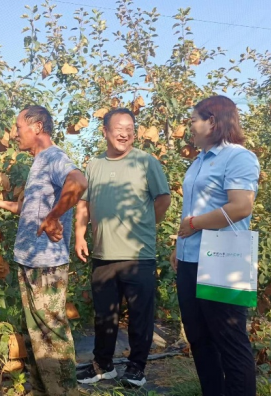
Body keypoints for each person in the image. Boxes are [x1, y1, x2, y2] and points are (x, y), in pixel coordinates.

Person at [0, 105, 87, 396]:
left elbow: (79, 181)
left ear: (36, 128)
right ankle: (44, 390)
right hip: (31, 261)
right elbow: (30, 208)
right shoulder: (38, 162)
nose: (15, 133)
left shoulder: (53, 157)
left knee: (51, 334)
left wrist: (54, 217)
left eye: (18, 127)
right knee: (37, 334)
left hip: (46, 265)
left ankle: (65, 392)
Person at [170, 95, 260, 396]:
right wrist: (179, 247)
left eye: (194, 120)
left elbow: (241, 207)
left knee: (230, 342)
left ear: (212, 121)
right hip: (190, 259)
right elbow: (191, 209)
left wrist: (194, 225)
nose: (190, 126)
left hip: (224, 258)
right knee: (198, 338)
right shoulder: (198, 161)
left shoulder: (238, 156)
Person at [75, 108, 171, 387]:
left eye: (130, 128)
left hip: (138, 255)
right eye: (118, 127)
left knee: (141, 315)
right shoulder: (93, 165)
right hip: (103, 254)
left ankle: (136, 368)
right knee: (104, 314)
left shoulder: (145, 162)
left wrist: (145, 226)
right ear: (105, 131)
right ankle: (103, 365)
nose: (125, 133)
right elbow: (84, 203)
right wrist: (80, 236)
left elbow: (162, 200)